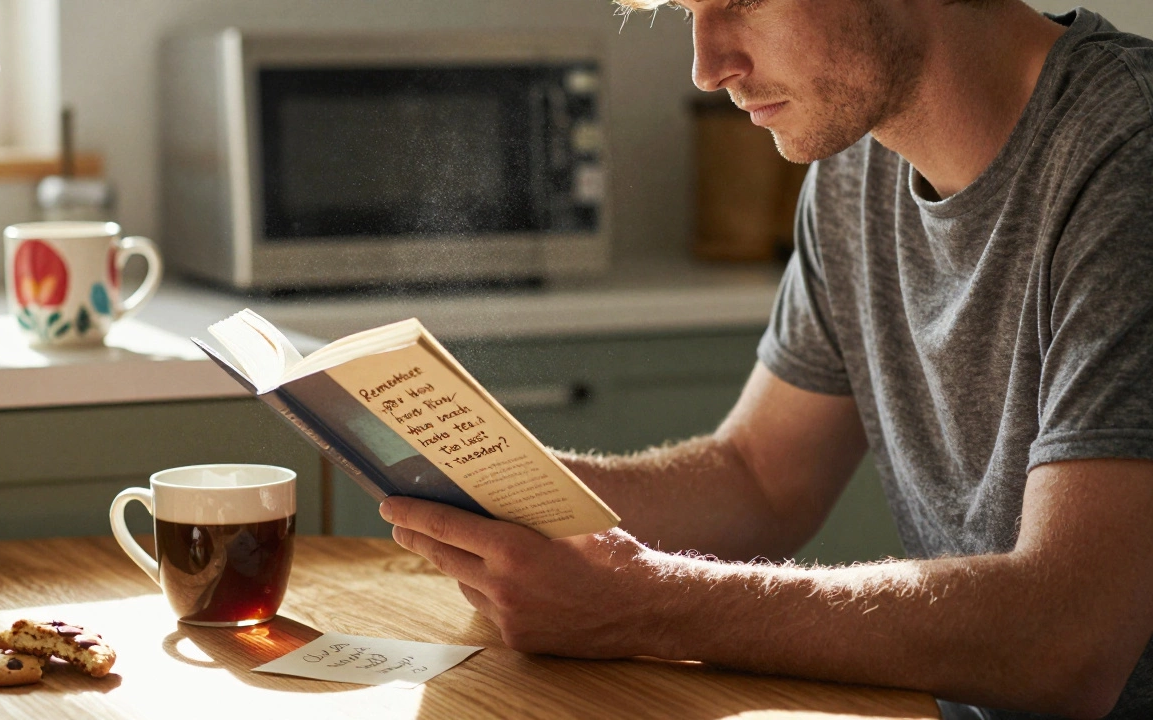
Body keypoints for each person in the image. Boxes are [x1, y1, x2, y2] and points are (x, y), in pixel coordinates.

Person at [377, 1, 1153, 717]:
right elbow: (760, 477)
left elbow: (1071, 637)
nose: (706, 67)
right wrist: (499, 480)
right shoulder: (856, 168)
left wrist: (643, 602)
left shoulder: (1129, 155)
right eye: (688, 10)